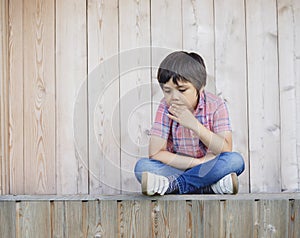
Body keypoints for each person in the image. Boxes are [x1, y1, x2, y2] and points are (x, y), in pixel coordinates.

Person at [134, 51, 245, 195]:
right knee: (142, 167)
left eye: (182, 90)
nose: (174, 97)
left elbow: (225, 148)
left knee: (235, 161)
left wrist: (194, 124)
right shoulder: (165, 107)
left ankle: (174, 185)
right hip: (182, 167)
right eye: (167, 91)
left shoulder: (216, 105)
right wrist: (197, 164)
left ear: (200, 86)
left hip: (209, 168)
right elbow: (155, 153)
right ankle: (208, 187)